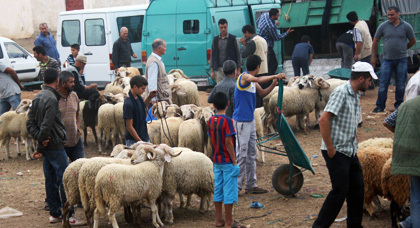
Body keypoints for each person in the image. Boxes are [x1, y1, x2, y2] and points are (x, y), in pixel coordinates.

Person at [313, 61, 378, 228]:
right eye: (369, 80)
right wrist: (330, 148)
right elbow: (323, 119)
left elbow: (347, 117)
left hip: (349, 150)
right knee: (339, 191)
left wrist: (353, 132)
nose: (371, 83)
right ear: (361, 78)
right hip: (337, 150)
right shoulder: (341, 93)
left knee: (357, 189)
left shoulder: (355, 94)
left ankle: (355, 225)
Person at [234, 55, 285, 194]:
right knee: (241, 153)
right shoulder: (245, 78)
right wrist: (275, 75)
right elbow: (256, 79)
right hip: (241, 121)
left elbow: (262, 94)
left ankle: (251, 184)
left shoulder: (252, 82)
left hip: (249, 120)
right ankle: (236, 186)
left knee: (251, 153)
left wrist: (273, 84)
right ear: (258, 67)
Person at [26, 69, 69, 224]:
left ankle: (55, 213)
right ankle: (67, 215)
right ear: (57, 81)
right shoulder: (51, 98)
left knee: (50, 179)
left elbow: (30, 123)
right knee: (64, 178)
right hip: (55, 144)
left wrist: (40, 139)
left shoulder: (37, 97)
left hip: (48, 145)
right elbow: (47, 124)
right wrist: (41, 143)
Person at [371, 6, 416, 113]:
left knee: (400, 84)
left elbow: (413, 40)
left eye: (392, 15)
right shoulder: (383, 26)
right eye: (388, 15)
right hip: (387, 59)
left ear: (398, 14)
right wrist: (373, 56)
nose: (389, 17)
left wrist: (404, 49)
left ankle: (399, 106)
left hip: (402, 59)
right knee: (383, 83)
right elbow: (375, 40)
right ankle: (380, 106)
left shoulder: (406, 26)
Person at [208, 92, 241, 228]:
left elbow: (211, 140)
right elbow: (229, 142)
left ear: (214, 105)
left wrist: (214, 153)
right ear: (228, 104)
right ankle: (228, 221)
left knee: (218, 189)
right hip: (227, 161)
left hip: (217, 161)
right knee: (229, 190)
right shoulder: (227, 121)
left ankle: (219, 219)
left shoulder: (210, 120)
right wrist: (234, 161)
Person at [57, 71, 85, 162]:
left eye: (74, 81)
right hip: (60, 142)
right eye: (71, 82)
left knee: (81, 166)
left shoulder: (74, 95)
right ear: (63, 83)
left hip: (75, 139)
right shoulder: (54, 98)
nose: (73, 84)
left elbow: (77, 113)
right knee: (62, 170)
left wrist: (78, 127)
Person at [257, 8, 294, 75]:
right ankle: (269, 80)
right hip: (267, 46)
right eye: (277, 16)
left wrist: (274, 24)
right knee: (273, 64)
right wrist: (287, 33)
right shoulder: (271, 26)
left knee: (266, 64)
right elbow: (277, 38)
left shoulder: (265, 15)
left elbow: (257, 22)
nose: (278, 17)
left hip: (260, 42)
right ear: (273, 16)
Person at [240, 24, 268, 108]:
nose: (244, 36)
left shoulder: (252, 41)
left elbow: (244, 54)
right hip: (264, 69)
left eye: (244, 34)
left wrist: (243, 45)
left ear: (247, 32)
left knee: (256, 96)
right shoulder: (262, 39)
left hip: (256, 71)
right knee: (262, 95)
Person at [123, 76, 157, 146]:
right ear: (135, 87)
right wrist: (141, 142)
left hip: (143, 136)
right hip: (134, 141)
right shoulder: (128, 104)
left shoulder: (138, 97)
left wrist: (150, 97)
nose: (144, 91)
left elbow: (142, 106)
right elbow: (129, 126)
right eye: (142, 89)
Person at [210, 19, 242, 84]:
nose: (223, 29)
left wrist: (238, 70)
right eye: (221, 28)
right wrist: (212, 71)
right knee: (220, 88)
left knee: (232, 87)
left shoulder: (233, 39)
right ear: (219, 28)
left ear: (227, 27)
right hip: (219, 69)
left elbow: (238, 54)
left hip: (231, 70)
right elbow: (212, 55)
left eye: (225, 27)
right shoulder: (215, 39)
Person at [145, 39, 172, 103]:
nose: (166, 49)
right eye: (165, 47)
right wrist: (154, 100)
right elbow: (152, 82)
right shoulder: (154, 63)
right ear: (159, 48)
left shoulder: (157, 60)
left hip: (162, 97)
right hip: (160, 99)